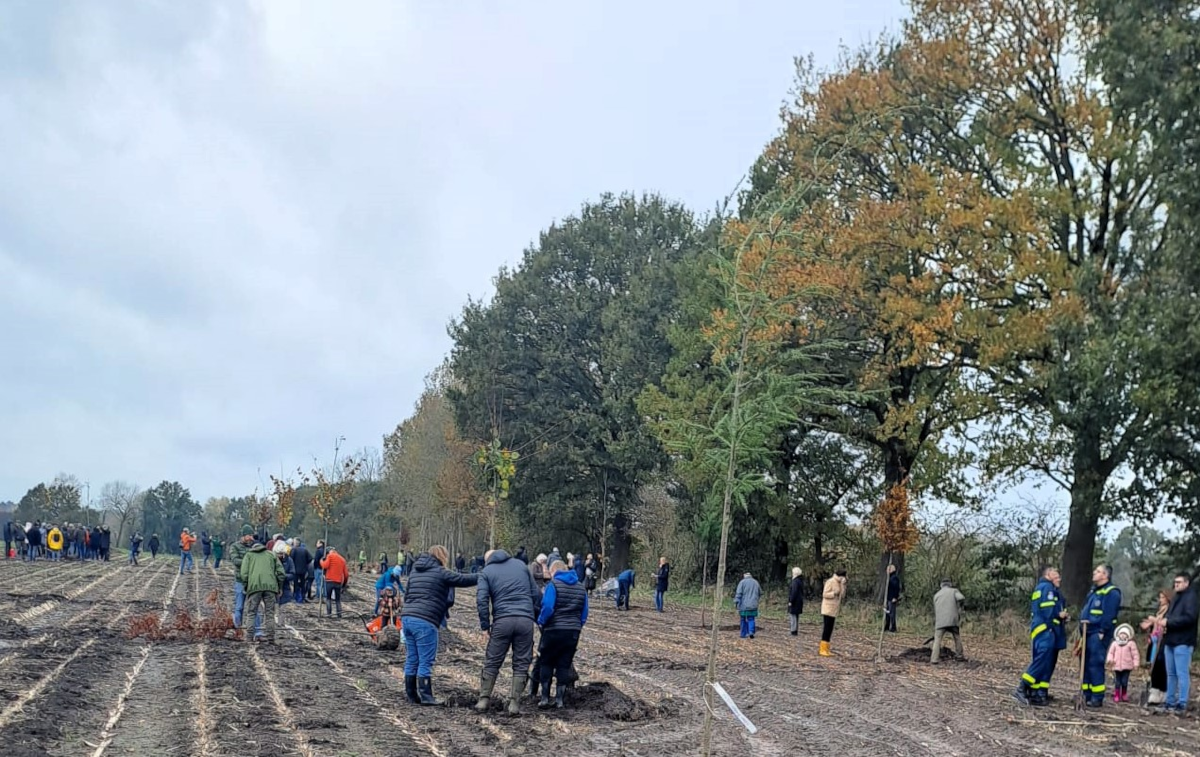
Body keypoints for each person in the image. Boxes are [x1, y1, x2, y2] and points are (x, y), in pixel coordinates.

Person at [400, 545, 478, 705]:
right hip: (425, 620)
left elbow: (406, 595)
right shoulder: (441, 572)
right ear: (442, 556)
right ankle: (427, 696)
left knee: (412, 658)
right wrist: (484, 575)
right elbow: (462, 580)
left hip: (407, 618)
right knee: (425, 660)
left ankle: (411, 694)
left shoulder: (414, 571)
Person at [475, 548, 542, 714]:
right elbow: (536, 595)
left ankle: (483, 700)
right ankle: (514, 704)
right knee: (521, 662)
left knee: (493, 660)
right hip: (525, 621)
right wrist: (532, 616)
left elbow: (481, 600)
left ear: (487, 560)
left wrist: (485, 626)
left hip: (502, 621)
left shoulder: (486, 571)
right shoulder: (521, 566)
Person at [537, 559, 587, 709]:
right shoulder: (581, 587)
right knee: (563, 665)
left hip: (553, 630)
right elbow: (584, 613)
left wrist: (541, 621)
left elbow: (547, 607)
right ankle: (560, 700)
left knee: (546, 662)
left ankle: (545, 698)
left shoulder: (553, 585)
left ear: (554, 571)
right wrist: (577, 625)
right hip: (572, 632)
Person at [1015, 566, 1066, 706]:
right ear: (1049, 574)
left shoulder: (1046, 588)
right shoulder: (1047, 588)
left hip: (1046, 630)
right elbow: (1048, 611)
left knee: (1047, 662)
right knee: (1042, 660)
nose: (1059, 578)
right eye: (1056, 574)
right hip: (1046, 630)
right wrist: (1058, 615)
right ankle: (1022, 687)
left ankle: (1038, 693)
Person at [1079, 564, 1121, 708]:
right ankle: (1086, 694)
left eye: (1097, 571)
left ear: (1105, 575)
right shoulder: (1094, 591)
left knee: (1095, 663)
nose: (1094, 573)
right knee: (1085, 664)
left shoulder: (1111, 592)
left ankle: (1097, 697)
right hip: (1086, 632)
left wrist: (1103, 631)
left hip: (1098, 633)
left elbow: (1109, 615)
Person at [1161, 572, 1198, 716]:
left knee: (1181, 673)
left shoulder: (1191, 597)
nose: (1176, 584)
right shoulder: (1176, 597)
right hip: (1170, 639)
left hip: (1183, 640)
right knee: (1171, 673)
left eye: (1179, 582)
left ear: (1186, 583)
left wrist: (1169, 622)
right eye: (1175, 582)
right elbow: (1170, 615)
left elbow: (1190, 618)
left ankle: (1182, 702)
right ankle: (1170, 701)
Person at [239, 539, 285, 645]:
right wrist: (279, 587)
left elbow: (244, 574)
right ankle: (271, 638)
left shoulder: (249, 555)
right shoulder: (271, 555)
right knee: (269, 613)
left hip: (254, 587)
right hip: (271, 588)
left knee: (251, 612)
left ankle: (249, 637)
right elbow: (281, 573)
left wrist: (246, 586)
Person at [1142, 590, 1170, 705]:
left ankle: (1162, 691)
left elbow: (1165, 623)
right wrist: (1151, 625)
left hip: (1163, 641)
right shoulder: (1160, 610)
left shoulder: (1169, 610)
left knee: (1161, 665)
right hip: (1155, 641)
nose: (1160, 600)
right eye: (1160, 597)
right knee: (1153, 664)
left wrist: (1154, 620)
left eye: (1163, 597)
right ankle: (1154, 690)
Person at [931, 579, 965, 664]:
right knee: (956, 636)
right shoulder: (953, 591)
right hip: (952, 620)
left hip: (940, 621)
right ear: (950, 584)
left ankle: (934, 659)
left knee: (937, 639)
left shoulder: (936, 595)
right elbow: (961, 598)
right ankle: (959, 655)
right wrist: (960, 606)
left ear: (941, 585)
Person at [229, 526, 256, 629]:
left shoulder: (254, 547)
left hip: (252, 581)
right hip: (240, 580)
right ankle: (237, 627)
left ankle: (257, 631)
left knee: (254, 608)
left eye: (252, 535)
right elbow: (235, 561)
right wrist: (249, 562)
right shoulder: (235, 547)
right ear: (244, 536)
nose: (251, 538)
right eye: (249, 535)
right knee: (239, 607)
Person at [1106, 623, 1140, 703]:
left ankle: (1124, 694)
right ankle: (1117, 694)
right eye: (1121, 634)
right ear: (1118, 635)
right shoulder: (1115, 643)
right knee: (1117, 681)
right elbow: (1111, 653)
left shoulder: (1131, 644)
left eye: (1125, 634)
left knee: (1124, 681)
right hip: (1116, 666)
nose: (1123, 636)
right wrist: (1110, 660)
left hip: (1127, 666)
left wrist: (1136, 664)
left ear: (1128, 636)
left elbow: (1135, 654)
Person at [820, 570, 847, 657]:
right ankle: (823, 649)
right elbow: (824, 594)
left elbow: (842, 595)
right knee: (827, 628)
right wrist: (833, 593)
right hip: (828, 608)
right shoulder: (830, 581)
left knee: (830, 629)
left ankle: (827, 648)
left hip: (834, 609)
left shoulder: (840, 583)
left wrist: (843, 585)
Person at [320, 546, 350, 619]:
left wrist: (321, 561)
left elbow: (325, 566)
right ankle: (339, 615)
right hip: (338, 582)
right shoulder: (342, 559)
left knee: (328, 598)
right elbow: (346, 574)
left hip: (329, 581)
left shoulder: (330, 556)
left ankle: (329, 614)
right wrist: (344, 584)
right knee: (338, 600)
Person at [735, 572, 762, 639]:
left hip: (744, 605)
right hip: (753, 605)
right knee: (751, 619)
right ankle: (751, 632)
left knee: (743, 619)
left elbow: (739, 593)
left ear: (744, 576)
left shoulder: (742, 582)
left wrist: (736, 602)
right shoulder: (756, 582)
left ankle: (743, 634)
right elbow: (760, 592)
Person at [884, 564, 902, 633]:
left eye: (888, 569)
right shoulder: (890, 577)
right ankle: (887, 626)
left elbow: (896, 588)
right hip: (889, 598)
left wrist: (895, 597)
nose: (886, 571)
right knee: (888, 613)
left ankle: (893, 628)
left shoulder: (894, 578)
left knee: (892, 613)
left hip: (892, 598)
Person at [788, 568, 805, 636]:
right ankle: (795, 630)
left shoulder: (795, 581)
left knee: (793, 616)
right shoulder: (800, 581)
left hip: (795, 601)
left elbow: (793, 592)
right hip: (799, 601)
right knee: (796, 616)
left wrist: (791, 601)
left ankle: (793, 631)